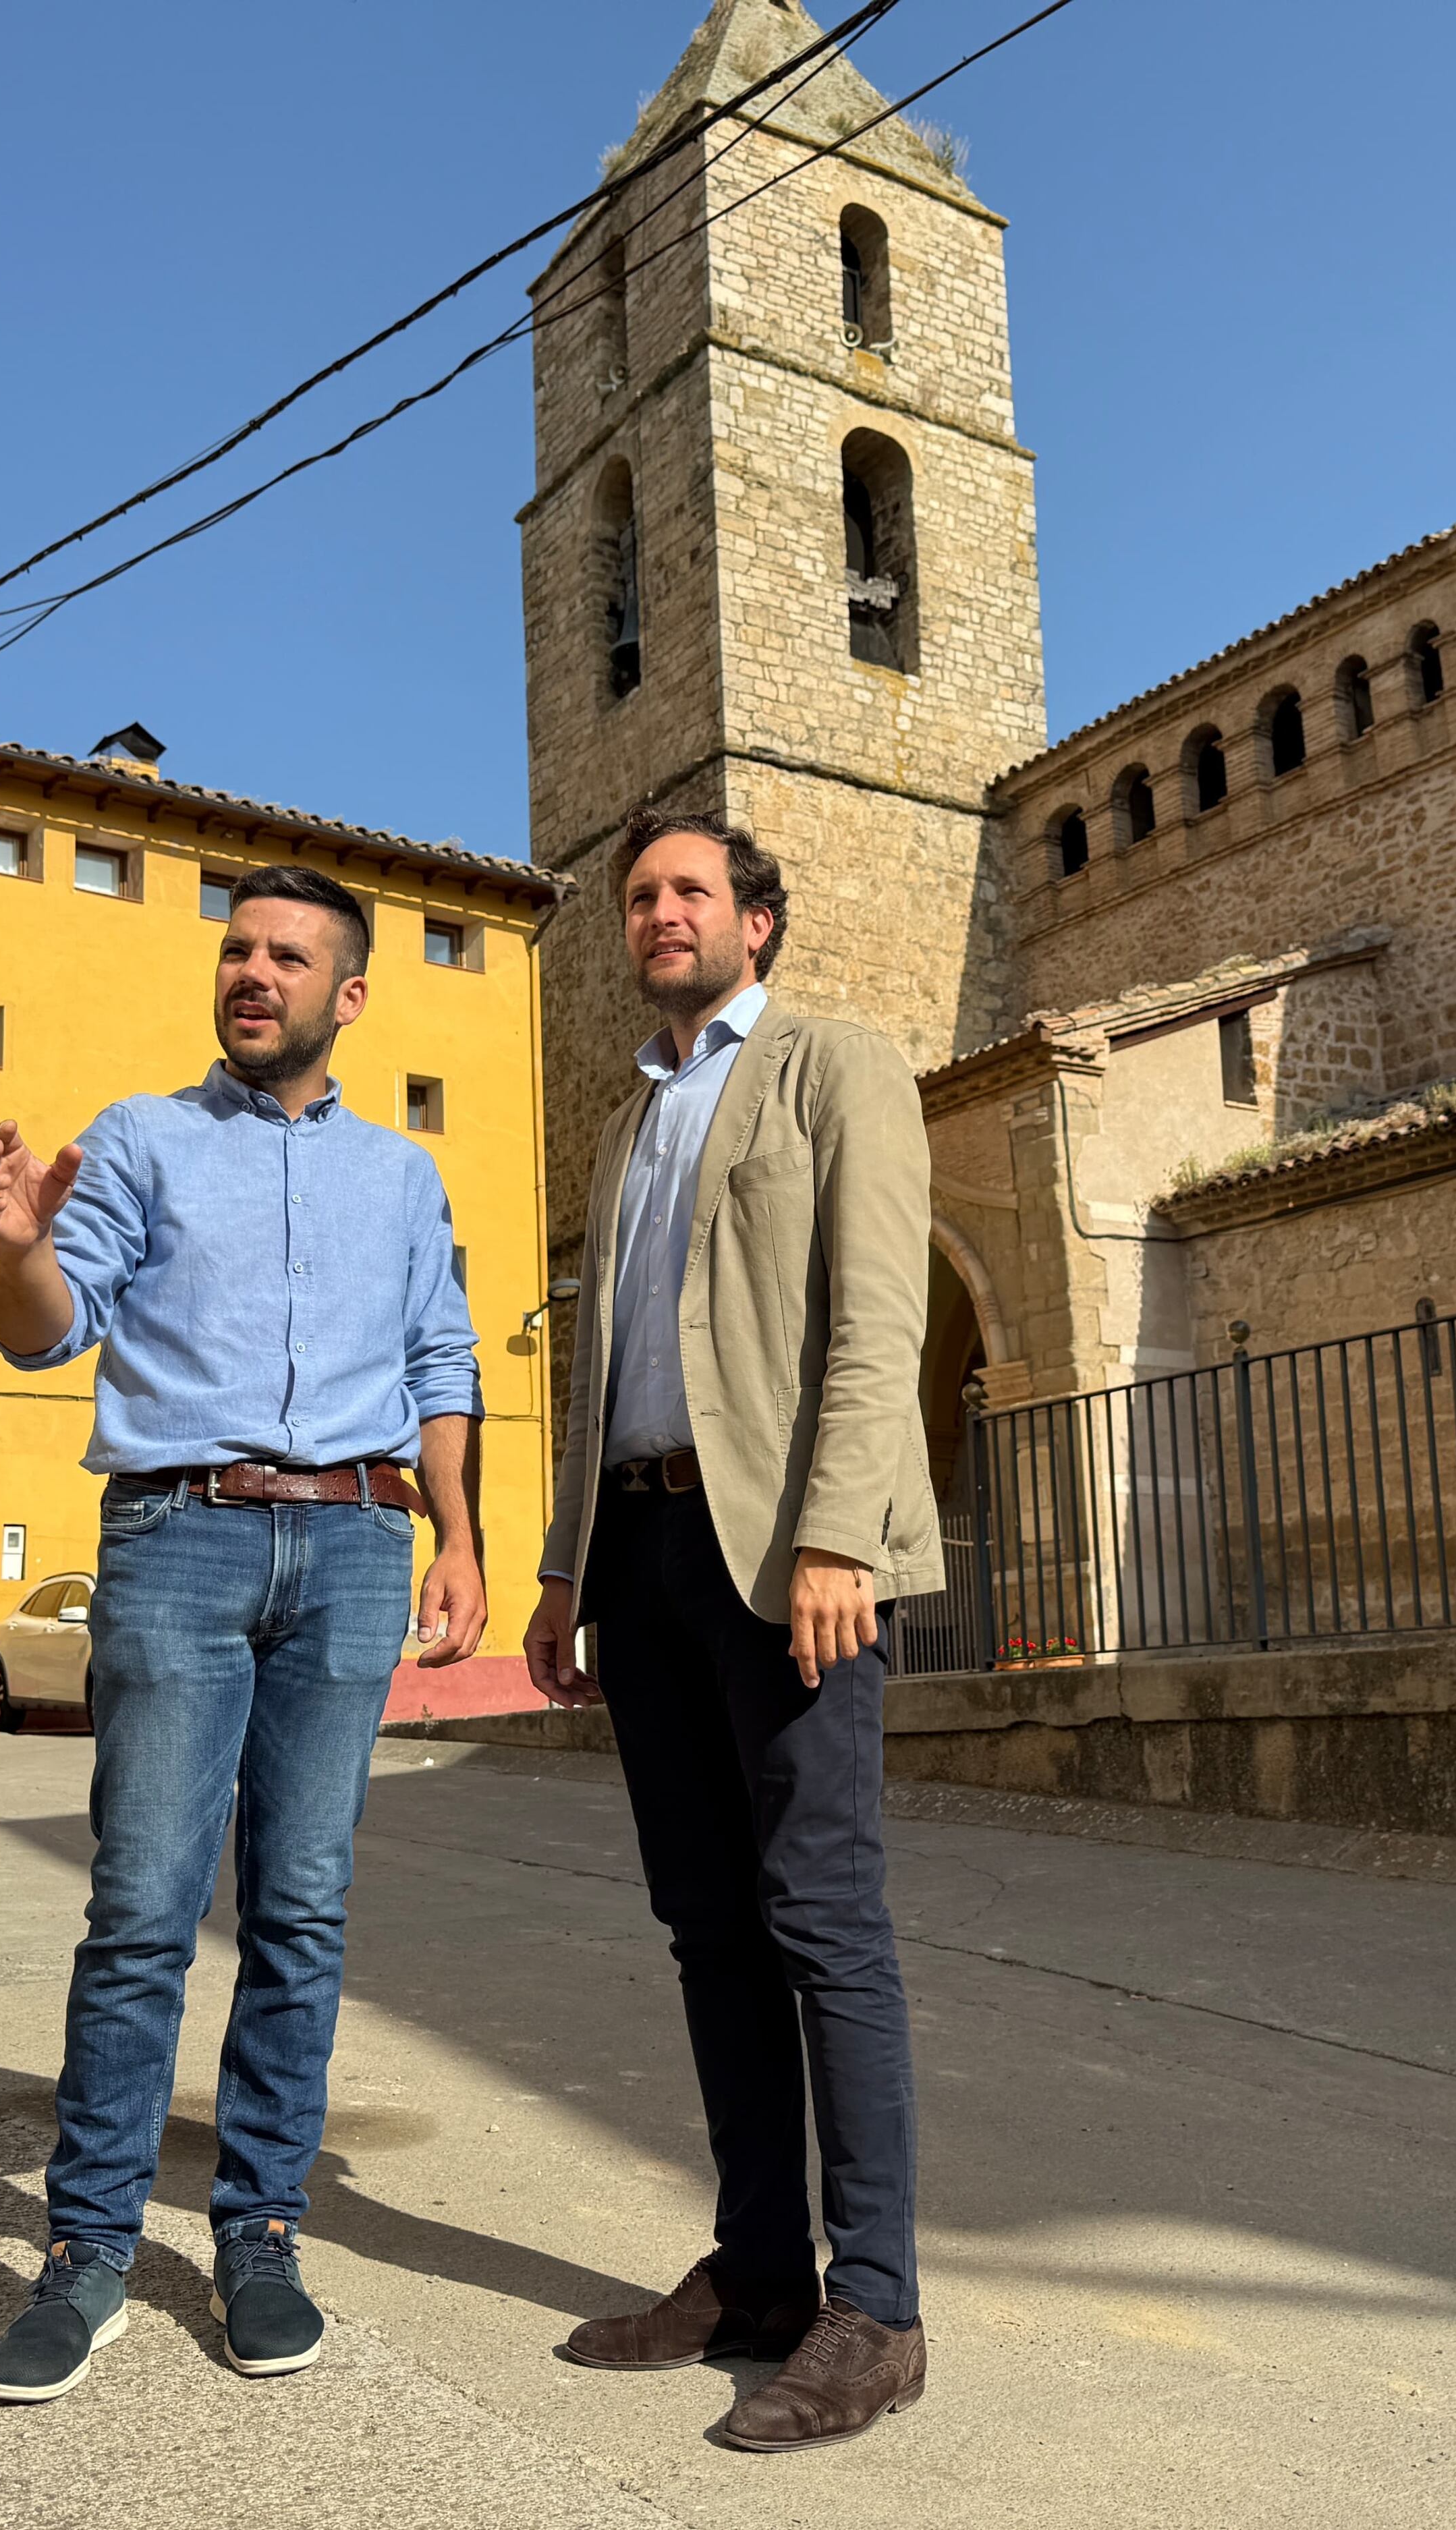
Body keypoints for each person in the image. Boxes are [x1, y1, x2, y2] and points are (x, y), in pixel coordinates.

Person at [0, 863, 487, 2404]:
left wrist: (458, 1537)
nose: (252, 973)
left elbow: (441, 1358)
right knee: (140, 1911)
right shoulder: (138, 1139)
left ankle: (259, 2228)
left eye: (287, 955)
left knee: (303, 1912)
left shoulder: (400, 1178)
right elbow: (45, 1327)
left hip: (348, 1543)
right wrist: (11, 1240)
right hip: (175, 1538)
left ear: (350, 993)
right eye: (237, 951)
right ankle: (88, 2251)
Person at [522, 804, 936, 2453]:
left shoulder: (833, 1066)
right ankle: (761, 2268)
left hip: (782, 1549)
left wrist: (841, 1526)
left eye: (690, 891)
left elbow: (875, 1310)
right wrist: (566, 1569)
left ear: (756, 923)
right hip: (640, 1543)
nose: (658, 914)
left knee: (821, 1915)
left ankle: (879, 2304)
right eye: (639, 897)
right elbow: (602, 1357)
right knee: (707, 1926)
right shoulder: (632, 1120)